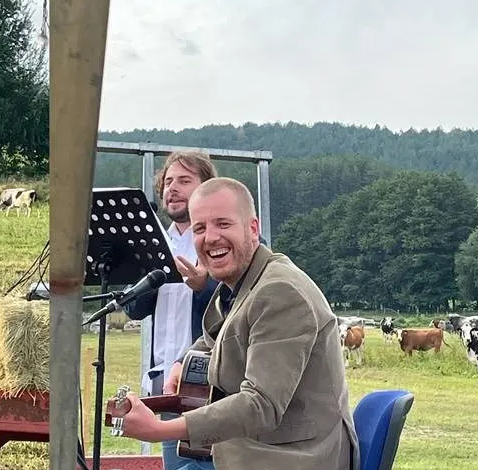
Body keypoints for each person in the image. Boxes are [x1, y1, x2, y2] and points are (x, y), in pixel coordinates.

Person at [114, 177, 359, 470]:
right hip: (248, 449)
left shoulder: (280, 292)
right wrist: (181, 364)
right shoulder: (240, 283)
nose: (211, 238)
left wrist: (160, 430)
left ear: (253, 228)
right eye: (200, 228)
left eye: (223, 224)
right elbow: (216, 337)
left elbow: (260, 405)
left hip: (294, 458)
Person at [120, 150, 220, 470]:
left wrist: (204, 285)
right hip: (165, 384)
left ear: (207, 188)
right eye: (168, 181)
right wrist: (138, 275)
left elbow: (239, 305)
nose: (172, 188)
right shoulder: (156, 242)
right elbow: (135, 311)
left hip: (207, 387)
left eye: (185, 181)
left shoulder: (220, 240)